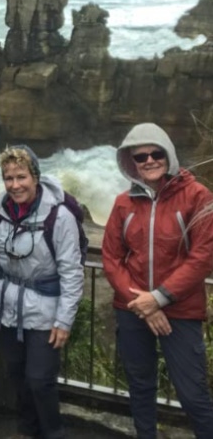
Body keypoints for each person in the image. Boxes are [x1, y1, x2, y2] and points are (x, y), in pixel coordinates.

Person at [102, 122, 213, 439]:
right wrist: (145, 304)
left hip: (180, 312)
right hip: (134, 308)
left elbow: (202, 257)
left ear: (168, 154)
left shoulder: (197, 196)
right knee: (140, 386)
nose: (149, 160)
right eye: (140, 157)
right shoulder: (124, 203)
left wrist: (160, 298)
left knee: (192, 394)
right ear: (130, 162)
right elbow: (111, 257)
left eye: (155, 153)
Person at [0, 145, 84, 439]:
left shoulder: (59, 217)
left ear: (35, 176)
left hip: (45, 309)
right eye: (8, 178)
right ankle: (27, 431)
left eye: (21, 177)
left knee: (39, 379)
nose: (15, 185)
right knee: (17, 376)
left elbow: (71, 272)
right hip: (8, 308)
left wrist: (64, 321)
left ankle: (53, 432)